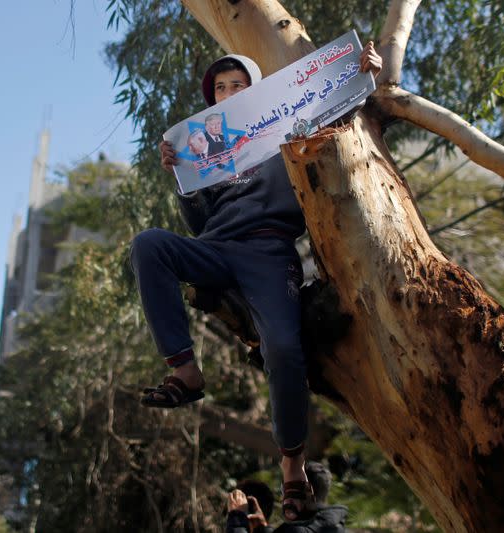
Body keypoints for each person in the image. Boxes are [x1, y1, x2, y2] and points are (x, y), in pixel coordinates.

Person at [131, 42, 381, 521]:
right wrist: (181, 175)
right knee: (148, 244)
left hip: (269, 252)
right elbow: (200, 225)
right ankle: (184, 369)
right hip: (216, 249)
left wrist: (365, 74)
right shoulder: (210, 148)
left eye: (237, 86)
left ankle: (292, 464)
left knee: (284, 351)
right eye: (220, 89)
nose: (227, 94)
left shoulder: (282, 131)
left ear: (256, 93)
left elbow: (333, 104)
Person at [225, 462, 347, 533]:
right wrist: (263, 529)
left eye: (285, 490)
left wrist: (237, 521)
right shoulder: (332, 526)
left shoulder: (297, 531)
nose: (282, 499)